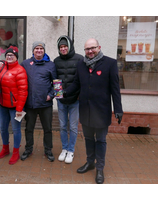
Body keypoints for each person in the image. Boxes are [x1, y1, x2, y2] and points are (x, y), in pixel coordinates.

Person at [63, 38, 123, 184]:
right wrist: (63, 93)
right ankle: (90, 163)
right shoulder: (81, 65)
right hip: (86, 110)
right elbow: (76, 84)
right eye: (87, 49)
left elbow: (115, 89)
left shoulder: (110, 63)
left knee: (101, 140)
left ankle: (100, 168)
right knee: (89, 139)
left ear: (99, 47)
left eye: (92, 48)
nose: (90, 51)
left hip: (101, 111)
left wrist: (118, 109)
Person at [20, 41, 57, 162]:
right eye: (36, 48)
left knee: (47, 129)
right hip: (30, 104)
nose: (39, 50)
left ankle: (48, 150)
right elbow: (15, 71)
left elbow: (57, 84)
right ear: (33, 50)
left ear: (44, 50)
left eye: (41, 48)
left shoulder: (50, 65)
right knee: (29, 128)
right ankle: (28, 149)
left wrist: (51, 95)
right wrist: (1, 64)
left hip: (45, 104)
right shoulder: (26, 63)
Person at [0, 45, 28, 165]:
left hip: (15, 108)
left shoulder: (20, 70)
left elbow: (23, 91)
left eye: (12, 55)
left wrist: (19, 108)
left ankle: (15, 152)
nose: (9, 57)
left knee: (16, 130)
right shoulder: (2, 68)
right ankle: (5, 149)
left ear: (16, 57)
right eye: (7, 55)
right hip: (3, 105)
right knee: (3, 128)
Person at [54, 35, 83, 164]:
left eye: (65, 46)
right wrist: (58, 94)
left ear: (69, 46)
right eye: (61, 47)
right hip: (61, 101)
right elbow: (55, 79)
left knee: (73, 127)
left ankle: (71, 151)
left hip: (75, 100)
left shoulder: (80, 59)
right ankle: (64, 149)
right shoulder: (56, 61)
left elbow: (83, 79)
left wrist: (79, 95)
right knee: (62, 126)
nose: (63, 48)